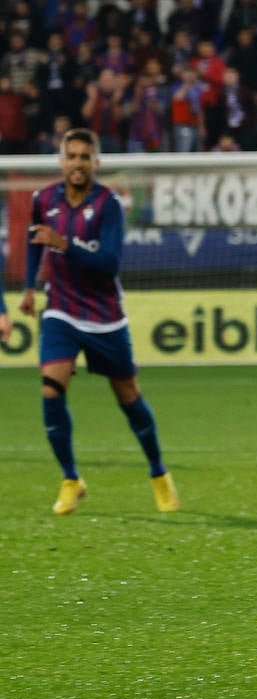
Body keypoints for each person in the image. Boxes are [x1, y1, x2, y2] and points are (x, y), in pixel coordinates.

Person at [19, 128, 179, 515]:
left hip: (104, 314)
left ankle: (159, 473)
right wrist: (28, 287)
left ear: (96, 162)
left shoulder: (108, 204)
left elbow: (109, 264)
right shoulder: (44, 199)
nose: (77, 163)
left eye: (84, 157)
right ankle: (71, 478)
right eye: (71, 156)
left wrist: (63, 245)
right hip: (60, 308)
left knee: (127, 395)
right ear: (61, 161)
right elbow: (33, 239)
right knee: (51, 388)